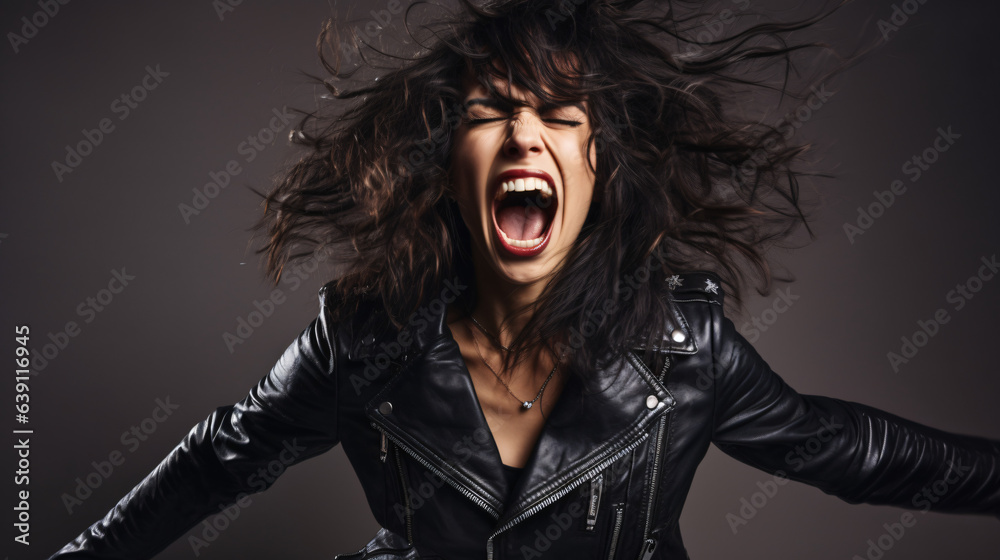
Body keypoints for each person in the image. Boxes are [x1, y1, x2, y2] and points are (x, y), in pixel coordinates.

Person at [50, 0, 1000, 558]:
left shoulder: (685, 349)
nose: (523, 134)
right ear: (449, 164)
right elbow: (225, 457)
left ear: (598, 167)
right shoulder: (366, 337)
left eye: (558, 112)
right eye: (490, 112)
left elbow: (845, 450)